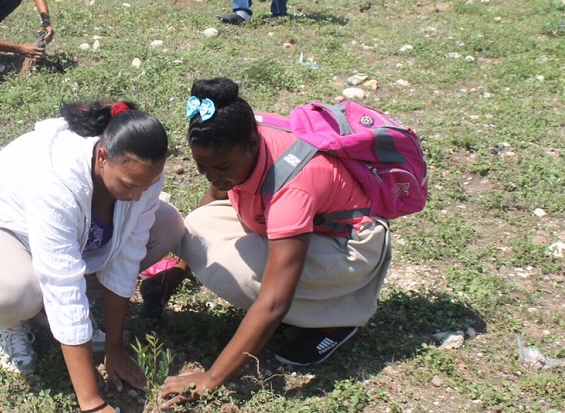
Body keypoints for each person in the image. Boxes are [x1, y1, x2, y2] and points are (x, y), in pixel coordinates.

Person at [156, 78, 392, 407]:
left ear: (253, 144)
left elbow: (274, 302)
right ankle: (312, 308)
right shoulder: (237, 133)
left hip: (350, 248)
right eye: (202, 166)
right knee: (195, 228)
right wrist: (177, 271)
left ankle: (336, 318)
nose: (212, 176)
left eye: (222, 167)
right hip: (307, 229)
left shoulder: (290, 188)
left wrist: (210, 380)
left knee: (241, 271)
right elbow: (216, 192)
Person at [0, 100, 184, 413]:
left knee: (167, 224)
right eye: (129, 185)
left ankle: (53, 313)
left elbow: (127, 256)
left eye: (146, 186)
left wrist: (114, 348)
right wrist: (92, 403)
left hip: (59, 242)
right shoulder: (57, 178)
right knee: (13, 294)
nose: (138, 196)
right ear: (102, 157)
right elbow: (63, 284)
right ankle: (15, 323)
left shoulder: (142, 174)